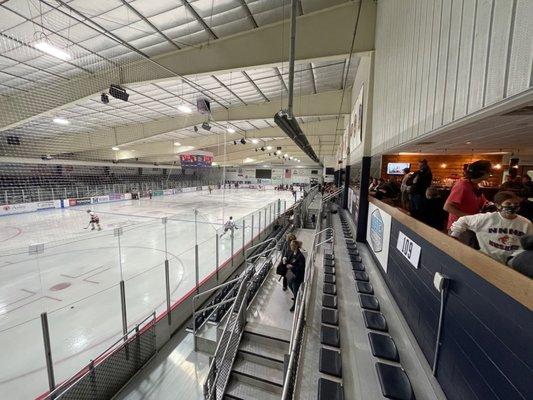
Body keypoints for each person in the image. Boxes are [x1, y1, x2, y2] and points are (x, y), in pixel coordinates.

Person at [450, 191, 533, 264]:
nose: (513, 206)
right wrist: (454, 236)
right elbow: (464, 220)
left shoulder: (526, 223)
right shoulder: (487, 218)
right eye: (508, 204)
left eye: (516, 204)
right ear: (498, 205)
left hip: (512, 261)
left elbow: (529, 245)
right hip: (487, 259)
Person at [444, 159, 492, 234]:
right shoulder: (462, 185)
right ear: (482, 173)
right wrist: (470, 218)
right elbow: (447, 207)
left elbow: (483, 201)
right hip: (459, 227)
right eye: (489, 171)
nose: (490, 174)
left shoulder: (474, 185)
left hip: (470, 225)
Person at [286, 240, 306, 312]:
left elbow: (301, 268)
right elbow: (289, 260)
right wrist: (285, 260)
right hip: (291, 274)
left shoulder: (301, 257)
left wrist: (292, 267)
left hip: (297, 276)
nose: (291, 246)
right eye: (290, 245)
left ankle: (295, 304)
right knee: (289, 284)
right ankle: (295, 296)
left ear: (296, 246)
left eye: (292, 245)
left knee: (295, 290)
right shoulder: (292, 253)